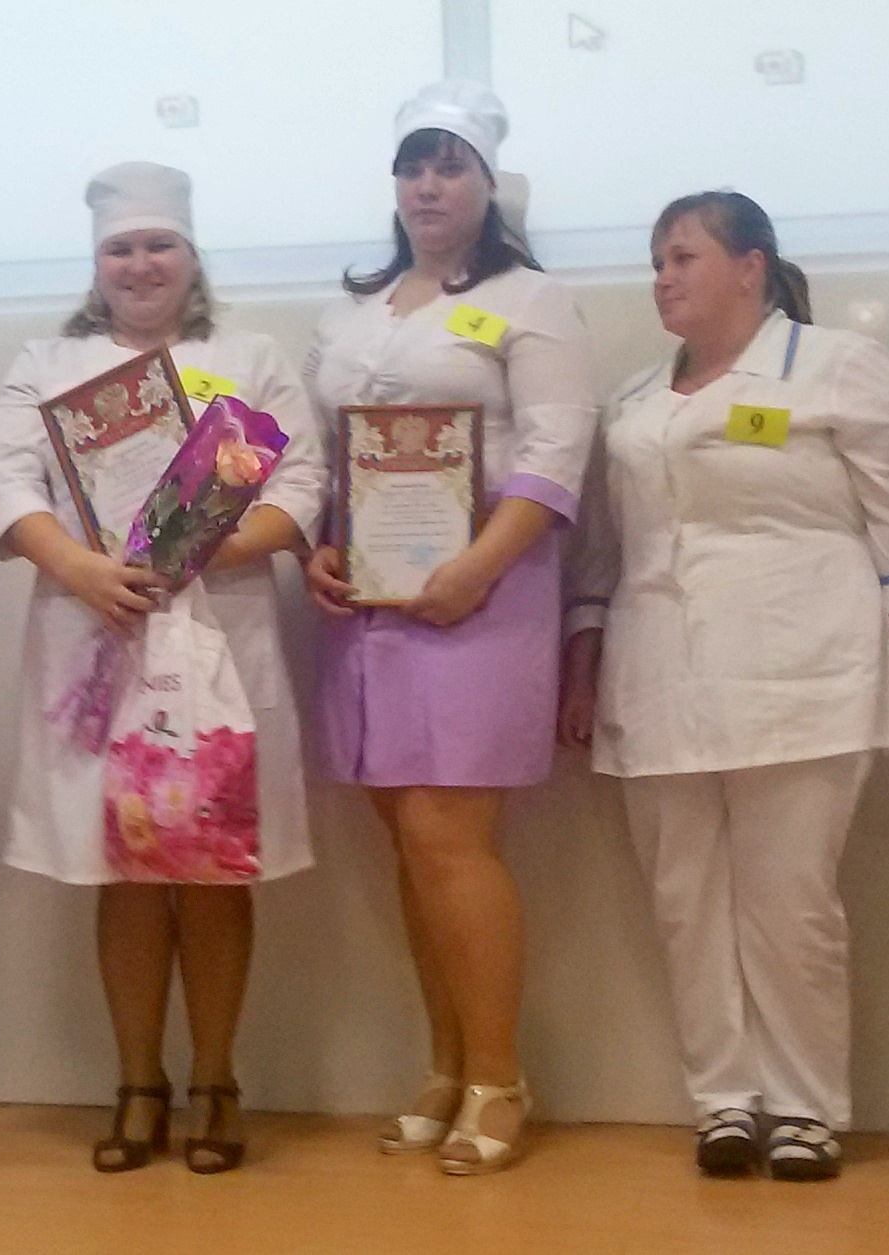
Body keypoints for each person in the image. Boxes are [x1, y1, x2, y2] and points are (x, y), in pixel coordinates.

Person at [558, 191, 889, 1182]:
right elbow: (602, 549)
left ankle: (805, 1106)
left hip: (802, 669)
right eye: (655, 261)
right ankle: (723, 1099)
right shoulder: (635, 398)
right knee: (683, 899)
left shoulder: (834, 365)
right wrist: (583, 661)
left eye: (682, 257)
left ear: (750, 265)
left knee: (789, 902)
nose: (662, 278)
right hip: (656, 674)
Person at [0, 162, 324, 1175]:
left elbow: (303, 479)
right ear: (96, 262)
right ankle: (137, 1083)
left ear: (190, 255)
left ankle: (215, 1081)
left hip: (223, 630)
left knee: (214, 866)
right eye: (119, 248)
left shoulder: (248, 358)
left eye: (158, 245)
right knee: (121, 866)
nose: (139, 264)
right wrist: (80, 568)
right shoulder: (49, 364)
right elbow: (6, 485)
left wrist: (215, 544)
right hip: (97, 631)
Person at [299, 80, 596, 1176]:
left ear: (486, 183)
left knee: (449, 837)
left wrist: (476, 567)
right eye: (413, 167)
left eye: (449, 166)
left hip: (485, 597)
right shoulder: (353, 312)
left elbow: (557, 450)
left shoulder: (531, 300)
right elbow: (316, 455)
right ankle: (443, 1061)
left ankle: (499, 1075)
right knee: (406, 841)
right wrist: (315, 546)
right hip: (369, 604)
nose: (428, 186)